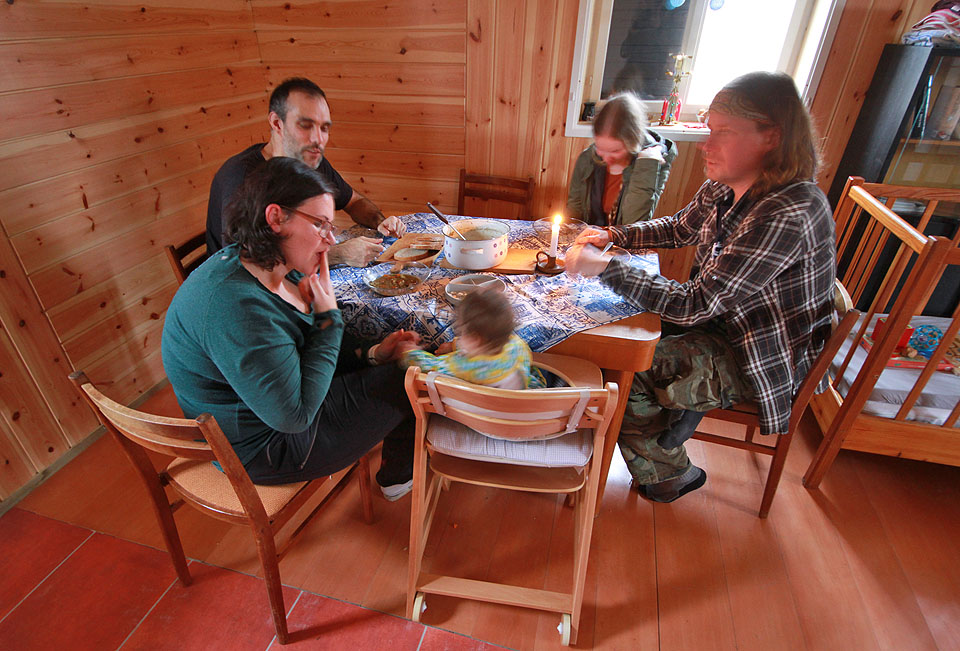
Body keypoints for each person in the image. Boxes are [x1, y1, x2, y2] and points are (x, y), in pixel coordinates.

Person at [565, 71, 836, 503]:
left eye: (723, 133)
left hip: (760, 352)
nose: (706, 146)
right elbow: (680, 226)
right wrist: (614, 237)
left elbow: (696, 304)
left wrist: (605, 269)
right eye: (709, 129)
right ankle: (675, 406)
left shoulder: (789, 210)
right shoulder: (726, 185)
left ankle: (669, 474)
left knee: (628, 368)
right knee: (615, 327)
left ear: (772, 137)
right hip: (723, 321)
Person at [164, 156, 419, 501]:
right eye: (320, 225)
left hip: (278, 404)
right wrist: (328, 321)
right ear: (275, 218)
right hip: (261, 447)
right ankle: (398, 478)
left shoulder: (274, 264)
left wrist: (373, 353)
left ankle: (397, 469)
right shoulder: (233, 305)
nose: (331, 240)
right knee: (410, 379)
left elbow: (301, 346)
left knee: (394, 360)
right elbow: (294, 415)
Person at [205, 77, 405, 267]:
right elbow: (248, 264)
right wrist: (338, 254)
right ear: (277, 123)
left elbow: (354, 201)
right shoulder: (241, 177)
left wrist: (380, 221)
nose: (318, 139)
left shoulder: (309, 160)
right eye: (306, 126)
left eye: (324, 128)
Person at [397, 288, 546, 390]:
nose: (460, 336)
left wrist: (409, 352)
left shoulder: (462, 366)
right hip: (519, 411)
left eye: (462, 331)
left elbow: (426, 364)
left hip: (482, 421)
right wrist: (455, 346)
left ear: (475, 339)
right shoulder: (518, 345)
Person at [566, 92, 677, 227]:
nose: (606, 157)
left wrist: (646, 164)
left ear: (633, 143)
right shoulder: (588, 158)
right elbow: (574, 211)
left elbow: (634, 225)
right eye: (600, 148)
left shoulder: (651, 163)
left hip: (624, 242)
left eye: (615, 151)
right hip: (589, 241)